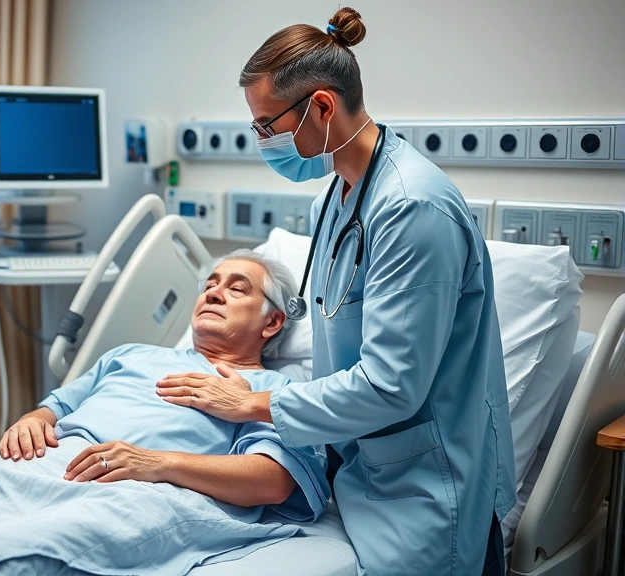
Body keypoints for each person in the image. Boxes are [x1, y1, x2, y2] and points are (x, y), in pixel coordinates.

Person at [156, 8, 515, 576]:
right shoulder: (338, 195)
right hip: (357, 471)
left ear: (321, 107)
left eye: (268, 125)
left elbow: (393, 384)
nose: (263, 141)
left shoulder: (411, 206)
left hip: (426, 488)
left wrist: (254, 403)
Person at [0, 251, 328, 576]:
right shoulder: (130, 355)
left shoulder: (273, 390)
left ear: (272, 322)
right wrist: (35, 418)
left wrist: (157, 463)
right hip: (29, 467)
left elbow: (272, 482)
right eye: (211, 283)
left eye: (237, 288)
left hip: (131, 492)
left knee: (4, 555)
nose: (214, 291)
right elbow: (56, 405)